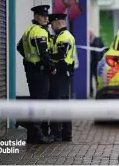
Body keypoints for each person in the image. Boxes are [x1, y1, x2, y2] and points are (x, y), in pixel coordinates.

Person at [16, 5, 55, 144]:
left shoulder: (28, 30)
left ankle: (31, 134)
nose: (46, 18)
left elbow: (19, 47)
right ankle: (38, 135)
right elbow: (43, 53)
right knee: (40, 102)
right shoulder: (39, 31)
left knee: (34, 100)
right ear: (36, 16)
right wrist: (51, 66)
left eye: (46, 16)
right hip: (40, 71)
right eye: (43, 16)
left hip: (31, 70)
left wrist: (28, 59)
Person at [48, 13, 76, 142]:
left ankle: (57, 133)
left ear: (58, 22)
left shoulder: (64, 37)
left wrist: (47, 58)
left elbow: (60, 54)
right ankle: (65, 134)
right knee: (63, 104)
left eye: (52, 23)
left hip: (61, 74)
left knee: (57, 103)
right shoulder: (62, 36)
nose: (51, 26)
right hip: (64, 74)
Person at [89, 29, 105, 98]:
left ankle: (98, 94)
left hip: (96, 63)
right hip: (90, 64)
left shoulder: (98, 40)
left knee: (97, 79)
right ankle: (91, 92)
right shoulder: (87, 41)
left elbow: (102, 51)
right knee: (89, 79)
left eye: (89, 33)